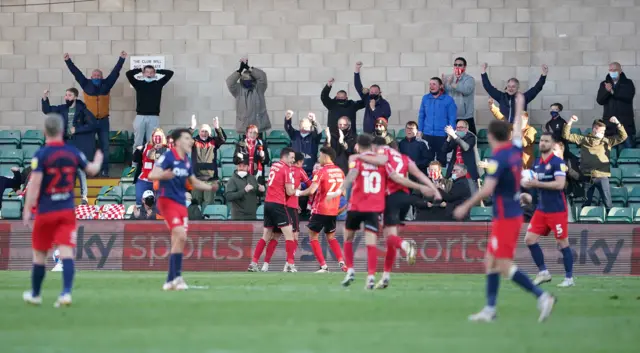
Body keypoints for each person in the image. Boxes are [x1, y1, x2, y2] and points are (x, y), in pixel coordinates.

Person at [453, 93, 556, 323]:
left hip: (506, 216)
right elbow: (518, 130)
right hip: (511, 213)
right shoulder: (515, 150)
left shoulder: (498, 157)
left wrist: (466, 205)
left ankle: (542, 296)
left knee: (502, 264)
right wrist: (519, 105)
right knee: (490, 261)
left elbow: (487, 189)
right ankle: (490, 309)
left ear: (490, 136)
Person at [329, 134, 433, 290]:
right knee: (372, 242)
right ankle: (371, 277)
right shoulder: (382, 161)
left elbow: (351, 175)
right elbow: (396, 177)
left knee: (348, 238)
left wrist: (339, 190)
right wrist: (418, 187)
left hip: (357, 205)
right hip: (375, 207)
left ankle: (350, 270)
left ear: (357, 145)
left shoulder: (358, 159)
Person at [22, 113, 103, 307]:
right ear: (61, 131)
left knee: (40, 254)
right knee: (66, 252)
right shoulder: (72, 152)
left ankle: (35, 294)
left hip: (46, 211)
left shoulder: (41, 154)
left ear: (45, 132)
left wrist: (27, 209)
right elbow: (91, 170)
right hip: (66, 211)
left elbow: (35, 184)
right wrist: (99, 159)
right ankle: (66, 293)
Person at [355, 137, 438, 289]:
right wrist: (433, 189)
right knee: (390, 240)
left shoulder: (381, 156)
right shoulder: (403, 157)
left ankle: (405, 245)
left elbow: (394, 177)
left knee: (390, 238)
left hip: (390, 198)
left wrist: (419, 188)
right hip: (405, 198)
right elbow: (419, 173)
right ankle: (386, 276)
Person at [148, 128, 220, 291]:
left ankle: (170, 280)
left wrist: (209, 188)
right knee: (180, 234)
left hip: (181, 203)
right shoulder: (168, 156)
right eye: (187, 138)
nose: (191, 141)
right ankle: (177, 277)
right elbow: (152, 174)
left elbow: (193, 181)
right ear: (178, 142)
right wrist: (162, 175)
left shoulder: (186, 160)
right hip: (167, 201)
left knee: (179, 239)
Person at [520, 132, 574, 288]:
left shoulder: (558, 163)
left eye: (546, 141)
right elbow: (535, 187)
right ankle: (543, 272)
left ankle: (569, 278)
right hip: (541, 209)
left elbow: (559, 185)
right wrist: (526, 195)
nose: (543, 143)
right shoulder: (537, 164)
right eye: (541, 140)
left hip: (557, 209)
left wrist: (537, 184)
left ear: (552, 144)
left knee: (562, 243)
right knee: (529, 239)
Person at [64, 51, 126, 176]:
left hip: (103, 121)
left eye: (99, 75)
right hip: (89, 121)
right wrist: (68, 61)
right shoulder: (86, 83)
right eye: (95, 75)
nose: (97, 77)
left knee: (105, 147)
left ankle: (105, 171)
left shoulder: (106, 84)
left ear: (101, 77)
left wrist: (121, 59)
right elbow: (76, 73)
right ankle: (90, 171)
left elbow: (115, 72)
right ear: (91, 77)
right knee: (89, 147)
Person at [42, 88, 97, 205]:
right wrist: (45, 98)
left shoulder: (82, 110)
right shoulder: (62, 108)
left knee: (79, 169)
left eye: (69, 95)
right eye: (66, 95)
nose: (67, 97)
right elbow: (47, 110)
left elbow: (92, 125)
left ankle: (84, 197)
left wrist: (77, 129)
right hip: (65, 143)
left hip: (77, 144)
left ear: (75, 97)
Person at [297, 147, 346, 273]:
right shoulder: (340, 172)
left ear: (325, 156)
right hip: (333, 210)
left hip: (320, 209)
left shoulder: (321, 171)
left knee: (313, 237)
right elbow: (344, 193)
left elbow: (312, 190)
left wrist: (299, 193)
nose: (319, 158)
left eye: (320, 155)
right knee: (331, 237)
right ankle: (341, 262)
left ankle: (324, 266)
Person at [248, 148, 297, 273]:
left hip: (268, 203)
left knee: (266, 236)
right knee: (289, 235)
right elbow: (290, 191)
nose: (293, 160)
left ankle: (254, 263)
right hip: (278, 204)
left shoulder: (274, 166)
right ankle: (291, 264)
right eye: (291, 157)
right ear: (285, 157)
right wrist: (301, 191)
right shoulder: (286, 169)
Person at [259, 152, 310, 273]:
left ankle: (265, 264)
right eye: (301, 162)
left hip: (278, 204)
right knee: (293, 235)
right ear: (298, 162)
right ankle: (289, 263)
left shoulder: (277, 167)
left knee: (274, 236)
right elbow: (309, 185)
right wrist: (300, 189)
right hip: (290, 206)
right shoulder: (298, 170)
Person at [563, 116, 626, 210]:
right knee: (586, 203)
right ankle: (583, 222)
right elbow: (566, 136)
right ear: (594, 129)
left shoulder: (607, 141)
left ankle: (611, 222)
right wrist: (570, 121)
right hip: (587, 176)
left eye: (604, 131)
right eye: (601, 131)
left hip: (602, 176)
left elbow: (623, 137)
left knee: (607, 202)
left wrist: (617, 123)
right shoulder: (584, 139)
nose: (603, 133)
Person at [126, 65, 174, 152]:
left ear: (154, 74)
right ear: (143, 73)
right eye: (147, 72)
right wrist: (140, 70)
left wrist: (158, 70)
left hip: (153, 117)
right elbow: (128, 74)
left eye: (151, 72)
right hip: (140, 116)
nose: (149, 74)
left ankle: (150, 163)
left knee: (152, 142)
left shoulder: (158, 84)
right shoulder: (138, 84)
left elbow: (170, 73)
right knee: (138, 142)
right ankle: (135, 164)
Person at [481, 63, 548, 123]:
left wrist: (544, 75)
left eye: (513, 87)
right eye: (509, 86)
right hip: (504, 130)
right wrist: (483, 72)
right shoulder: (501, 97)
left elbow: (536, 88)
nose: (510, 88)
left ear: (517, 88)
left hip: (518, 131)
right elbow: (488, 88)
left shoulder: (523, 98)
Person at [417, 77, 457, 166]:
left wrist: (451, 134)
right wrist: (420, 130)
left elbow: (452, 118)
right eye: (430, 84)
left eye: (434, 84)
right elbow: (421, 115)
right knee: (427, 160)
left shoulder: (448, 100)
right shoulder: (425, 98)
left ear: (440, 86)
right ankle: (427, 179)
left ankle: (441, 179)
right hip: (427, 134)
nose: (431, 86)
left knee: (441, 160)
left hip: (442, 135)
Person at [227, 57, 271, 135]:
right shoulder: (238, 89)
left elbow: (262, 76)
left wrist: (249, 68)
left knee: (259, 146)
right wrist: (239, 71)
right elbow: (230, 82)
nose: (247, 80)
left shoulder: (259, 88)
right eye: (244, 78)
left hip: (259, 127)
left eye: (249, 79)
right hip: (244, 128)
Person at [597, 62, 636, 148]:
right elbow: (600, 100)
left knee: (628, 151)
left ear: (620, 71)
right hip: (609, 126)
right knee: (610, 153)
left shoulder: (628, 83)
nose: (612, 72)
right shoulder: (604, 84)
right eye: (611, 70)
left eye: (615, 70)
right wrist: (606, 91)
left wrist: (612, 92)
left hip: (625, 124)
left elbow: (628, 97)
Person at [489, 99, 537, 169]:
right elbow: (502, 118)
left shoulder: (531, 130)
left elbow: (524, 143)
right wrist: (492, 106)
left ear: (526, 119)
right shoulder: (513, 127)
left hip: (524, 164)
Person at [191, 116, 227, 209]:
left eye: (206, 131)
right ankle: (196, 222)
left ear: (209, 133)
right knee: (196, 203)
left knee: (208, 204)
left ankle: (207, 222)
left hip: (210, 179)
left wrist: (217, 128)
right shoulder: (194, 142)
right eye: (202, 131)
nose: (204, 133)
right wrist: (192, 127)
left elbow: (223, 139)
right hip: (196, 178)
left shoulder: (213, 141)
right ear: (199, 132)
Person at [354, 61, 391, 133]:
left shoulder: (385, 104)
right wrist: (357, 69)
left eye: (375, 92)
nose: (373, 94)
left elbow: (383, 118)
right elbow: (358, 86)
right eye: (371, 92)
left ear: (380, 93)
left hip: (380, 135)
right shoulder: (367, 98)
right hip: (367, 134)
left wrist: (373, 108)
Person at [443, 57, 477, 134]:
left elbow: (466, 90)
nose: (457, 67)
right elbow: (445, 95)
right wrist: (442, 85)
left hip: (465, 117)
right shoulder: (449, 78)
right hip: (452, 116)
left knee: (469, 142)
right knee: (452, 142)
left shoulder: (469, 79)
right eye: (455, 65)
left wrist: (452, 84)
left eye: (460, 65)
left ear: (464, 67)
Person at [135, 128, 168, 206]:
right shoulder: (147, 146)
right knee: (140, 202)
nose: (157, 138)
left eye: (159, 136)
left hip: (159, 181)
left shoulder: (167, 149)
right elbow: (149, 156)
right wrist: (154, 148)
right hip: (145, 180)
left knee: (158, 205)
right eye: (155, 136)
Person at [285, 111, 322, 177]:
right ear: (299, 126)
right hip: (296, 168)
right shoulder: (295, 134)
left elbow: (318, 132)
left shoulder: (313, 136)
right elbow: (288, 128)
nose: (303, 128)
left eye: (306, 126)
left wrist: (314, 121)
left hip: (310, 168)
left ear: (310, 126)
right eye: (302, 126)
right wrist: (288, 119)